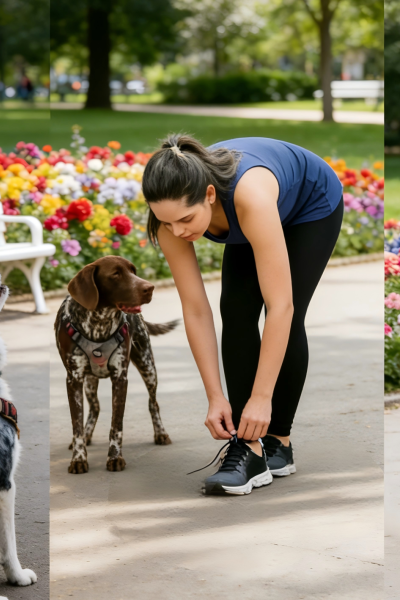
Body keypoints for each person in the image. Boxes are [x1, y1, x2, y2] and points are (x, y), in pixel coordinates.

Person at [142, 134, 343, 496]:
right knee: (234, 310)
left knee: (284, 311)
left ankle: (277, 442)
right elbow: (195, 308)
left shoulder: (249, 197)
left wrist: (261, 398)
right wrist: (215, 396)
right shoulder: (169, 218)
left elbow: (281, 307)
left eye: (186, 219)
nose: (179, 231)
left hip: (310, 203)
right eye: (167, 223)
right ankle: (247, 448)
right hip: (249, 208)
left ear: (208, 195)